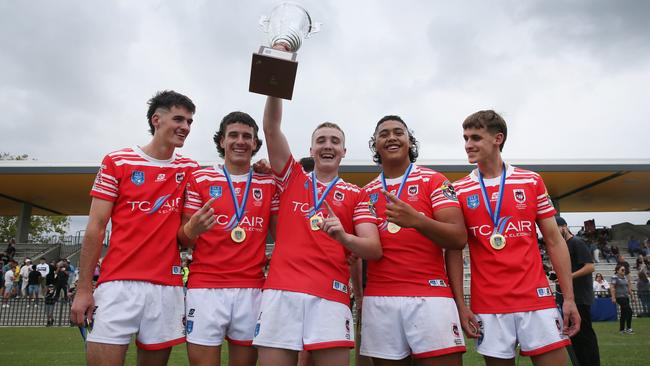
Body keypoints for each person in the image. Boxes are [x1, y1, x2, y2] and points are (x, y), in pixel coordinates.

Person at [70, 90, 199, 366]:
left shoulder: (190, 169)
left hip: (166, 287)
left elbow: (184, 236)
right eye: (179, 119)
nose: (185, 127)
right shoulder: (118, 161)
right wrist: (83, 289)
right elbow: (95, 227)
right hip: (117, 285)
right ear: (156, 119)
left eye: (189, 121)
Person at [254, 95, 381, 366]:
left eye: (335, 141)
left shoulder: (356, 195)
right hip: (281, 292)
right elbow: (271, 127)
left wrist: (344, 237)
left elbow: (373, 248)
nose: (328, 145)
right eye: (321, 140)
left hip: (330, 296)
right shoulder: (291, 177)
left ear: (344, 151)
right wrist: (277, 72)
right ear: (311, 150)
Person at [453, 110, 580, 365]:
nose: (468, 145)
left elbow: (554, 241)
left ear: (497, 138)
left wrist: (569, 298)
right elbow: (454, 250)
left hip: (536, 298)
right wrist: (460, 305)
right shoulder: (458, 189)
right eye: (465, 138)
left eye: (475, 138)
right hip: (489, 304)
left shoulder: (530, 180)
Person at [359, 115, 468, 365]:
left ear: (410, 141)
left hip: (431, 296)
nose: (391, 137)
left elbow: (458, 238)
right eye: (384, 134)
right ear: (375, 144)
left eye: (399, 132)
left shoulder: (434, 181)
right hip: (380, 297)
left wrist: (417, 220)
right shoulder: (365, 193)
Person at [176, 111, 277, 366]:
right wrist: (192, 229)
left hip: (252, 290)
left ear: (255, 144)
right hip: (206, 288)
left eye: (247, 136)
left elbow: (284, 234)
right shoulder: (200, 178)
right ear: (222, 141)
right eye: (233, 135)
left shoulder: (268, 183)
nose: (240, 141)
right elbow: (182, 238)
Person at [556, 216, 600, 366]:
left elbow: (590, 266)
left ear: (564, 227)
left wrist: (567, 277)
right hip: (568, 298)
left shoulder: (576, 242)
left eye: (556, 228)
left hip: (580, 297)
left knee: (585, 337)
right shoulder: (560, 245)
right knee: (574, 338)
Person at [610, 266, 634, 334]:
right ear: (617, 271)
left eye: (624, 270)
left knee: (623, 313)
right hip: (619, 297)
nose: (624, 271)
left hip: (626, 297)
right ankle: (629, 328)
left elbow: (629, 287)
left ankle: (622, 329)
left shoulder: (625, 278)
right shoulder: (615, 277)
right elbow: (612, 287)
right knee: (629, 312)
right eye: (622, 270)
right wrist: (613, 297)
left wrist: (632, 296)